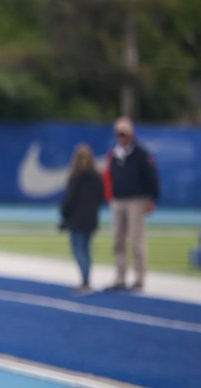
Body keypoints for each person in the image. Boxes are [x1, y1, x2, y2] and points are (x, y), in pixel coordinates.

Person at [103, 116, 159, 291]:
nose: (122, 137)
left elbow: (151, 177)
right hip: (118, 199)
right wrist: (110, 197)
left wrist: (151, 198)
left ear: (131, 134)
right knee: (118, 240)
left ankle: (139, 278)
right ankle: (120, 277)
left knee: (136, 239)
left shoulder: (141, 153)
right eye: (119, 134)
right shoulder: (114, 153)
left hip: (136, 199)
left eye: (124, 134)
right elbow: (109, 177)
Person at [59, 143, 105, 294]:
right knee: (86, 250)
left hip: (77, 220)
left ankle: (85, 282)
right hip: (91, 219)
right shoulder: (97, 177)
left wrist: (64, 215)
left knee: (79, 251)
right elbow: (101, 197)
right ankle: (86, 279)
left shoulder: (76, 176)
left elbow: (69, 199)